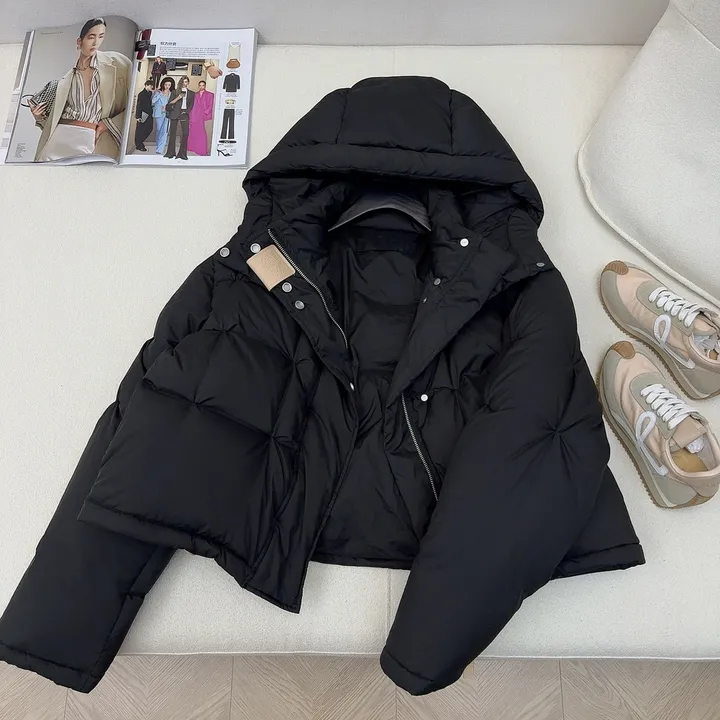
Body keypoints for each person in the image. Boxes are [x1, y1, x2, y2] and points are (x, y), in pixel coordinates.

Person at [29, 18, 131, 162]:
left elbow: (136, 101)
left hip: (89, 139)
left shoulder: (117, 62)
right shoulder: (65, 80)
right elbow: (53, 123)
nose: (96, 43)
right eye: (91, 37)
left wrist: (108, 124)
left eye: (100, 36)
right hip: (58, 139)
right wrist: (39, 117)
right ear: (79, 41)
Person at [164, 75, 194, 160]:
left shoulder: (192, 93)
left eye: (186, 82)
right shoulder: (175, 92)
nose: (184, 83)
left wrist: (186, 111)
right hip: (175, 113)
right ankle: (171, 153)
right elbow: (169, 104)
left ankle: (182, 154)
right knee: (172, 134)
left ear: (188, 83)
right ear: (181, 82)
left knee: (186, 133)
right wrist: (178, 97)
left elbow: (191, 105)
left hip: (184, 113)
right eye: (183, 82)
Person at [187, 80, 214, 156]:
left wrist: (206, 112)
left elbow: (210, 105)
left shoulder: (210, 94)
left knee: (202, 133)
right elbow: (192, 105)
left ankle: (202, 149)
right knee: (194, 131)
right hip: (195, 115)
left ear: (205, 86)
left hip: (204, 115)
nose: (201, 87)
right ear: (198, 86)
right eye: (200, 85)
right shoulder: (195, 94)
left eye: (203, 85)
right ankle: (193, 147)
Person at [152, 77, 173, 155]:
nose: (167, 86)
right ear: (163, 85)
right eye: (166, 84)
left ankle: (160, 149)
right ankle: (158, 145)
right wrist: (161, 94)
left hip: (168, 114)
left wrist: (167, 107)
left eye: (169, 85)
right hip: (159, 114)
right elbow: (153, 101)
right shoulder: (158, 93)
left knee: (165, 131)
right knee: (159, 130)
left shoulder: (171, 94)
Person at [133, 79, 154, 152]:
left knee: (149, 128)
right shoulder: (141, 94)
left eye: (152, 86)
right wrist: (138, 116)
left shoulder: (150, 93)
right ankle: (139, 145)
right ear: (146, 85)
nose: (152, 87)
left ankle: (139, 143)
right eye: (151, 86)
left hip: (149, 114)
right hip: (142, 114)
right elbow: (139, 105)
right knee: (140, 130)